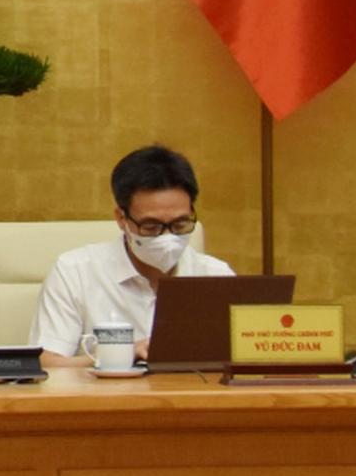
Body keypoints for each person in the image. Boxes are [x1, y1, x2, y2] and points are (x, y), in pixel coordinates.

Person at [30, 144, 234, 367]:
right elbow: (46, 363)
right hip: (105, 390)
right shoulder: (75, 272)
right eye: (151, 227)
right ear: (121, 219)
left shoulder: (217, 276)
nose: (167, 238)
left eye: (180, 224)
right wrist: (121, 355)